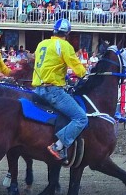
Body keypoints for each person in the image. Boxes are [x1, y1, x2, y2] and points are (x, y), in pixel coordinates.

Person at [32, 18, 88, 163]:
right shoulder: (64, 45)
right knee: (81, 118)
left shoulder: (42, 44)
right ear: (67, 33)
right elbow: (75, 65)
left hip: (37, 89)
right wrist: (85, 75)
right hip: (53, 91)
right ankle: (58, 146)